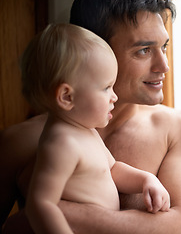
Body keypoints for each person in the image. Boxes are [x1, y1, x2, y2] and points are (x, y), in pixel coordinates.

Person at [0, 0, 181, 233]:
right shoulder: (19, 142)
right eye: (144, 50)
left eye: (163, 47)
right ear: (94, 48)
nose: (164, 66)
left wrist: (62, 212)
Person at [22, 23, 170, 234]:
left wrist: (146, 180)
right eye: (106, 88)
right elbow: (41, 204)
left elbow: (112, 169)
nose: (114, 96)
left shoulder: (85, 131)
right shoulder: (62, 143)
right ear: (67, 97)